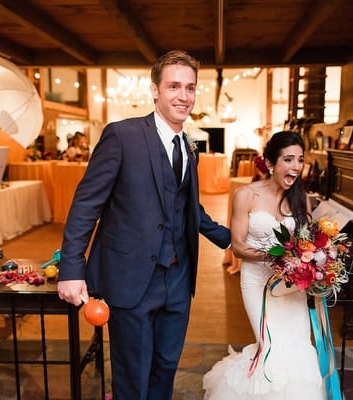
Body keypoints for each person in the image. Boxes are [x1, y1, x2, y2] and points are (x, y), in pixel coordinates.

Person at [57, 50, 231, 400]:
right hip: (131, 277)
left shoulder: (188, 146)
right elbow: (86, 204)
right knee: (133, 373)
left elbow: (186, 205)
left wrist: (231, 239)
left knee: (165, 368)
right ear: (155, 90)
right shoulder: (122, 135)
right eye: (174, 86)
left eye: (190, 88)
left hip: (179, 279)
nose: (184, 96)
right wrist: (70, 268)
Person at [203, 131, 326, 399]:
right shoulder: (247, 195)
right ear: (271, 163)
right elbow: (238, 246)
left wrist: (317, 262)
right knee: (271, 345)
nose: (296, 166)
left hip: (291, 286)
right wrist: (276, 257)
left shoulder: (301, 199)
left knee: (299, 346)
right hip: (257, 282)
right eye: (289, 159)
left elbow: (305, 245)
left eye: (300, 160)